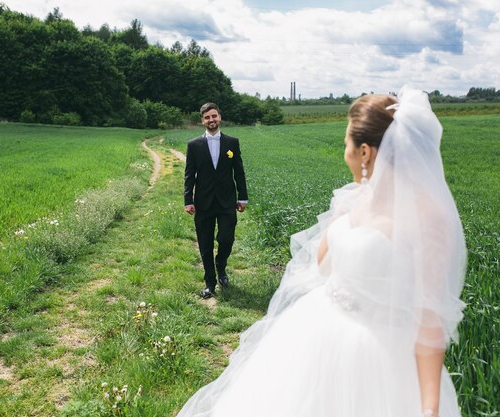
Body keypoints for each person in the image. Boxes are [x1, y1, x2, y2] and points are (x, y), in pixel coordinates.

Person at [177, 87, 466, 417]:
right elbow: (324, 264)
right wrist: (348, 207)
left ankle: (221, 269)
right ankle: (210, 278)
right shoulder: (353, 201)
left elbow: (430, 321)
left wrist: (430, 408)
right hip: (316, 330)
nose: (344, 151)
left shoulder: (429, 218)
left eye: (346, 143)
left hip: (378, 355)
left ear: (366, 153)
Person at [184, 103, 249, 299]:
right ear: (202, 121)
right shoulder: (194, 145)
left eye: (214, 116)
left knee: (226, 239)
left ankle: (221, 267)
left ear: (219, 117)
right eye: (207, 117)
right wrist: (188, 199)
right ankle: (210, 283)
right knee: (205, 244)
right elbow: (189, 175)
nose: (211, 120)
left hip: (227, 201)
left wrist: (242, 197)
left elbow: (239, 172)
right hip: (203, 202)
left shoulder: (232, 143)